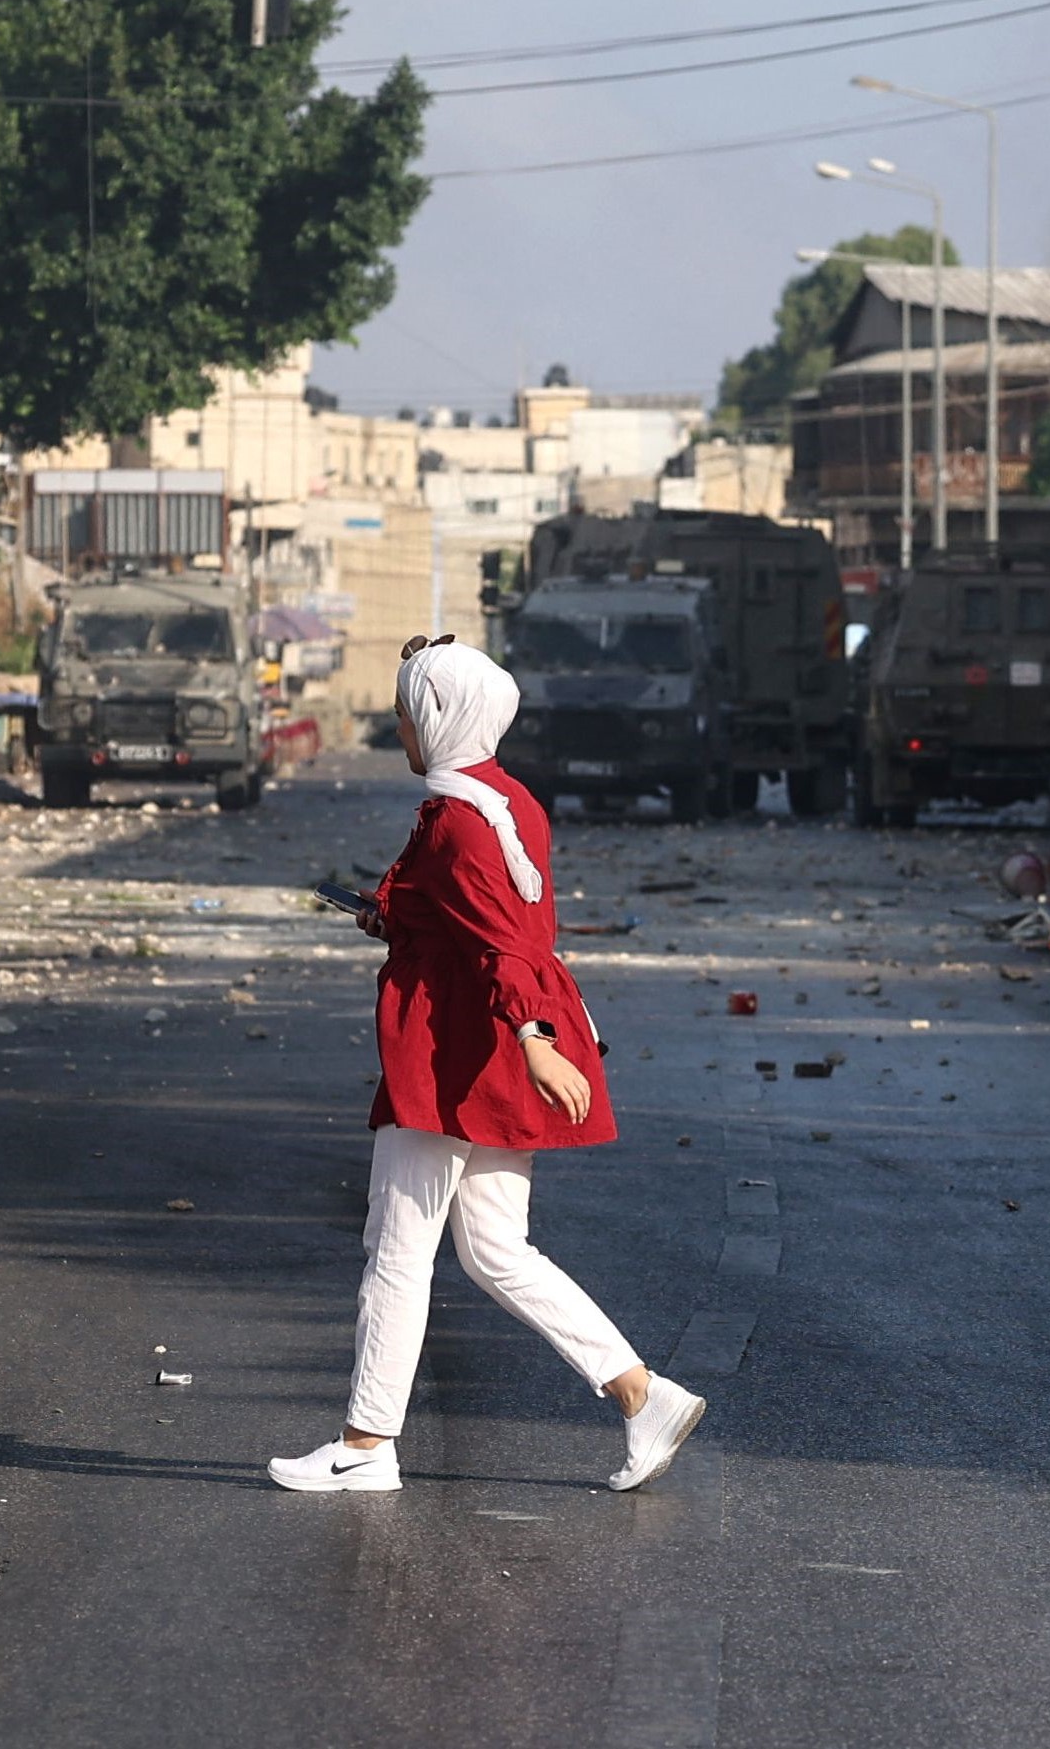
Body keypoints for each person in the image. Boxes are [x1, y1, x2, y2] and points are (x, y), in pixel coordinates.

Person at [269, 635, 706, 1497]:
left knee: (395, 1248)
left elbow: (505, 945)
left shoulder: (458, 822)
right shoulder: (499, 801)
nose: (399, 725)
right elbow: (478, 923)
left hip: (455, 1057)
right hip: (488, 1052)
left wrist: (534, 1034)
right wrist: (397, 916)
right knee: (496, 1249)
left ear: (437, 717)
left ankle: (364, 1442)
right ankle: (640, 1394)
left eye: (406, 710)